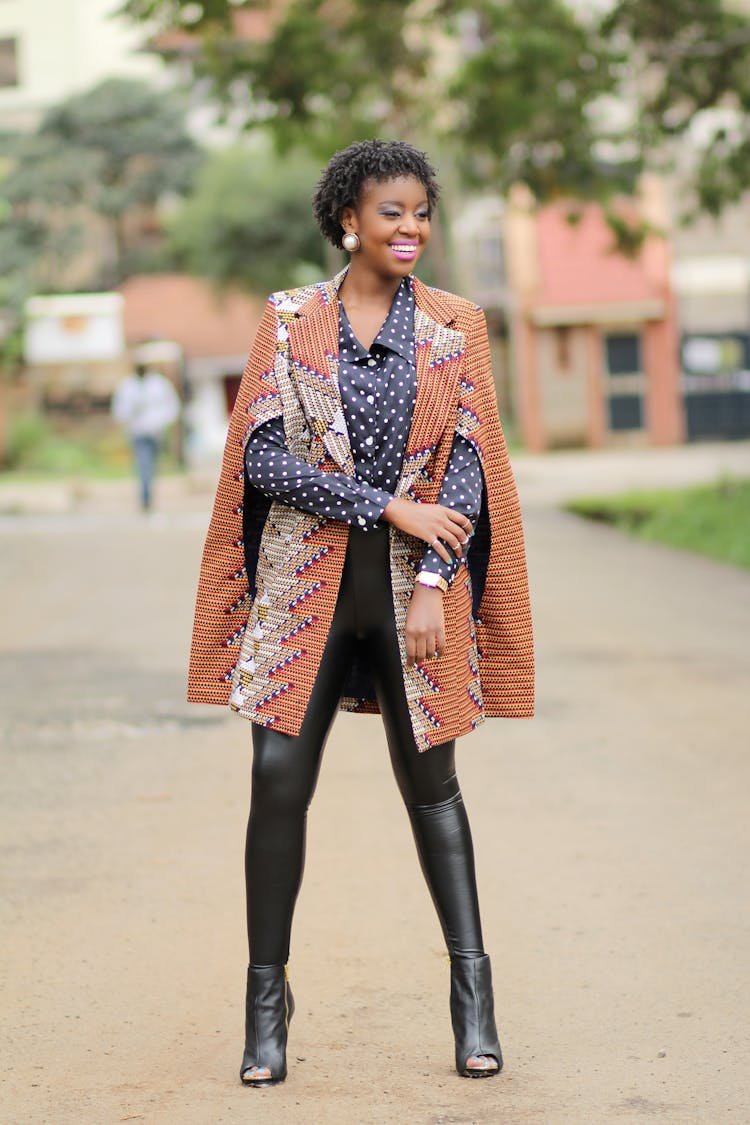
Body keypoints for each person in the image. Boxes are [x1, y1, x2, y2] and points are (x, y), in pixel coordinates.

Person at [188, 139, 534, 1086]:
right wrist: (387, 505)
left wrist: (431, 578)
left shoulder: (456, 325)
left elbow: (468, 460)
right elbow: (262, 458)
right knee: (276, 782)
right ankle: (268, 1009)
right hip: (307, 592)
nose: (411, 227)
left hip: (416, 599)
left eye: (422, 210)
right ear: (349, 219)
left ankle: (473, 1000)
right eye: (391, 212)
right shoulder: (290, 319)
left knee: (433, 789)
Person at [111, 362, 180, 510]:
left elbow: (171, 405)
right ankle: (145, 497)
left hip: (156, 431)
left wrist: (163, 422)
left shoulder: (158, 383)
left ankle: (149, 493)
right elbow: (120, 411)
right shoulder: (127, 386)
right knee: (143, 464)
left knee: (152, 466)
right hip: (138, 432)